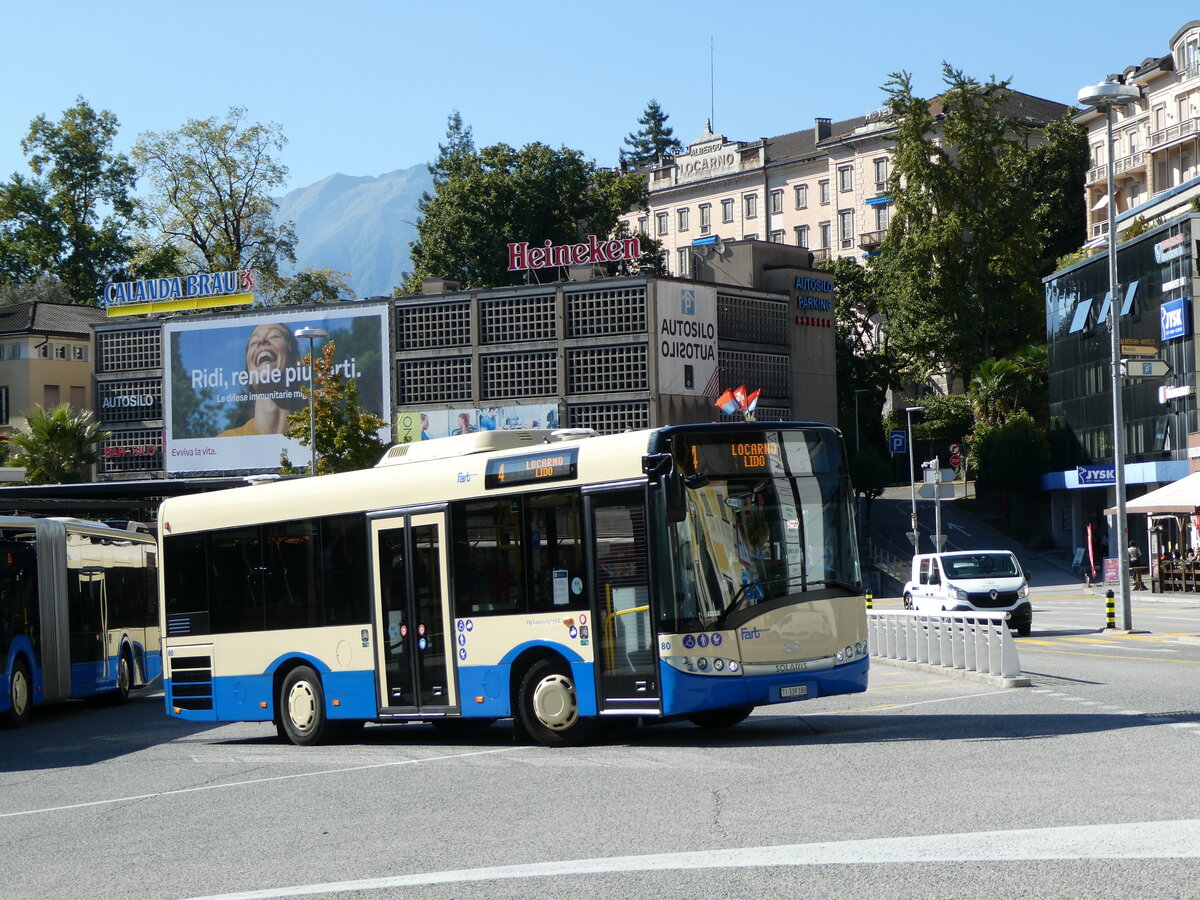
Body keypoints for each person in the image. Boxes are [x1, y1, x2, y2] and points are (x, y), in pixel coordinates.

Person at [218, 323, 305, 437]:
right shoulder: (228, 440)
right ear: (247, 376)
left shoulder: (317, 435)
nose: (262, 340)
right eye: (254, 342)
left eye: (274, 336)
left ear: (294, 363)